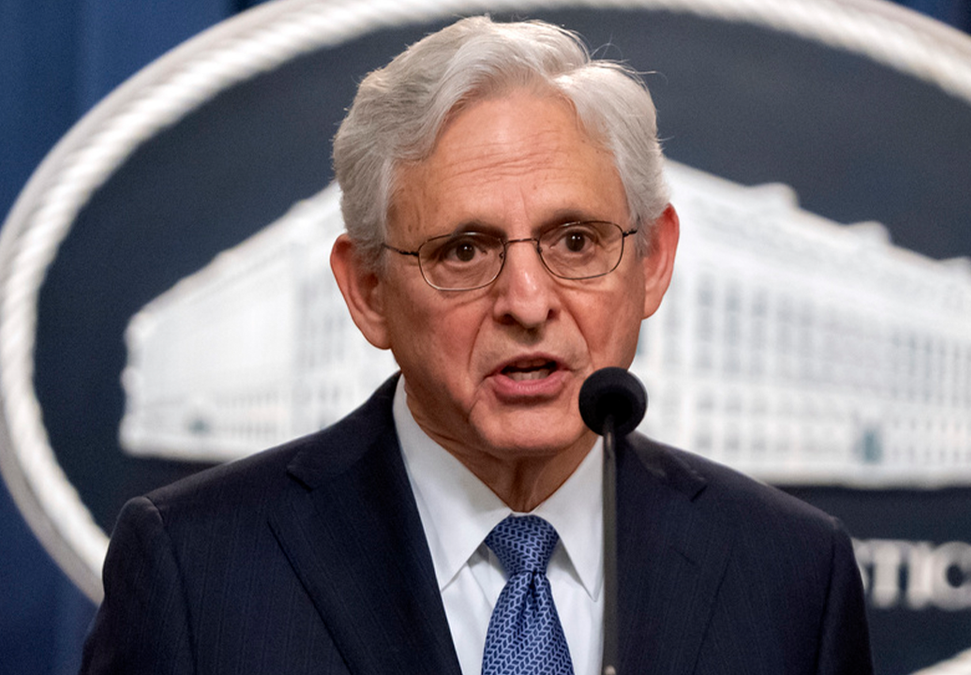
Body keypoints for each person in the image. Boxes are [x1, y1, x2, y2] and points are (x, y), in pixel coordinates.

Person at [79, 16, 872, 675]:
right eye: (464, 250)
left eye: (575, 240)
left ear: (652, 262)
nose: (528, 303)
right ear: (368, 290)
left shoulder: (793, 574)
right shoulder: (196, 570)